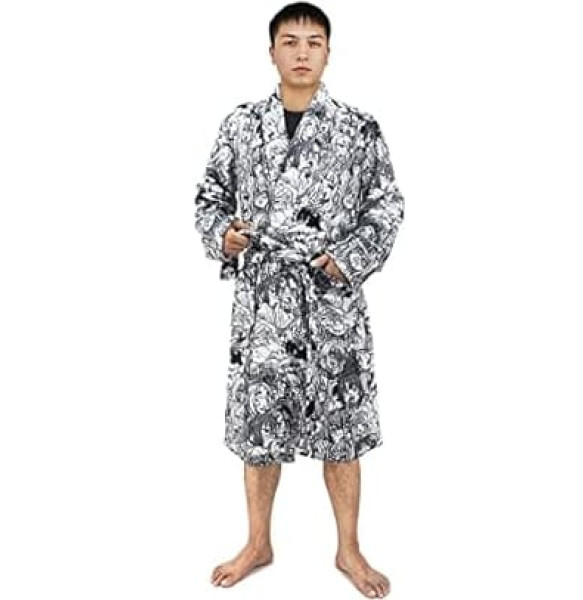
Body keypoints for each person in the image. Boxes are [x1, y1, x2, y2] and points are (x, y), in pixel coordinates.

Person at [193, 3, 404, 597]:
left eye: (314, 42)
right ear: (272, 53)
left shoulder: (358, 128)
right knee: (259, 426)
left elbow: (387, 206)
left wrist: (348, 257)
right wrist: (224, 235)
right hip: (265, 302)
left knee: (342, 426)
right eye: (290, 41)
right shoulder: (240, 126)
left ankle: (349, 549)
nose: (303, 51)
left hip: (330, 299)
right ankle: (258, 542)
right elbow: (209, 198)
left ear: (329, 53)